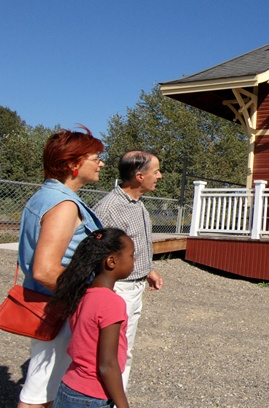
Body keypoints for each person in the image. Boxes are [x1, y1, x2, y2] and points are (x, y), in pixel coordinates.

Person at [17, 126, 105, 408]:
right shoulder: (63, 204)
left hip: (51, 308)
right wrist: (88, 300)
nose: (101, 163)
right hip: (60, 311)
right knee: (39, 397)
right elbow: (45, 270)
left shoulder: (45, 197)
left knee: (46, 391)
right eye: (95, 157)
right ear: (73, 164)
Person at [93, 150, 163, 387]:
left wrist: (148, 269)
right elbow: (99, 255)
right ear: (139, 176)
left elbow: (134, 244)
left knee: (125, 349)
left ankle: (115, 397)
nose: (160, 176)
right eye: (156, 171)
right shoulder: (110, 208)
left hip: (134, 286)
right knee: (111, 351)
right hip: (117, 291)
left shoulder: (137, 204)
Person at [49, 228, 135, 408]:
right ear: (112, 261)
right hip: (92, 397)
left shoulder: (81, 294)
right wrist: (123, 404)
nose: (133, 260)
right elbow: (107, 364)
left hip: (69, 388)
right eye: (131, 255)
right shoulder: (111, 303)